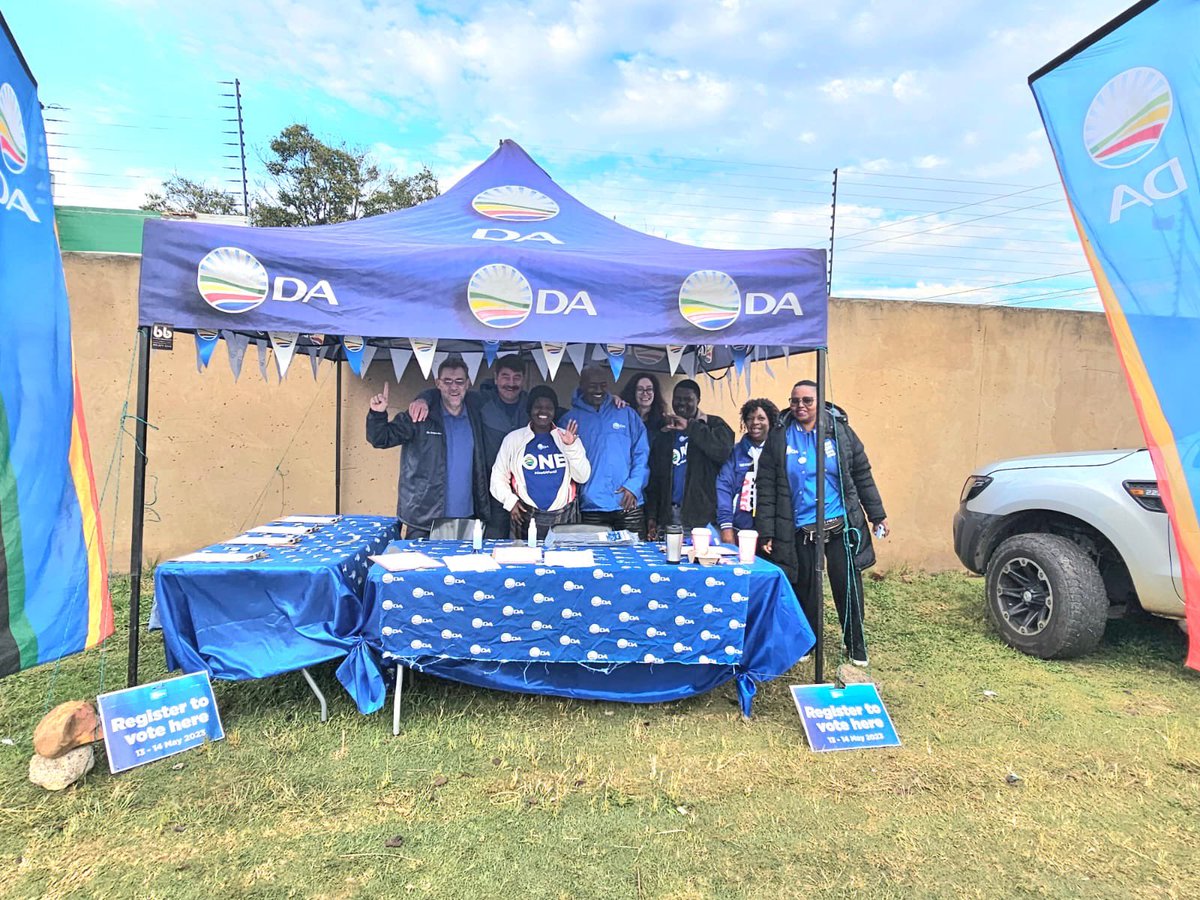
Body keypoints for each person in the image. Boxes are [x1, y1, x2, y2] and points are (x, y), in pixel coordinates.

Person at [777, 379, 889, 666]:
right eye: (795, 401)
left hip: (839, 524)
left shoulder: (839, 432)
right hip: (801, 527)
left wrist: (877, 514)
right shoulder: (782, 434)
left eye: (807, 400)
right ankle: (808, 642)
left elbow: (862, 474)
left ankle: (856, 645)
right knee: (806, 587)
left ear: (820, 401)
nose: (800, 406)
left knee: (847, 585)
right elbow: (770, 483)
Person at [407, 354, 531, 538]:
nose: (510, 383)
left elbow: (551, 409)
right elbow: (445, 392)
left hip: (526, 491)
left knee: (526, 547)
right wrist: (422, 399)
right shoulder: (479, 401)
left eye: (517, 377)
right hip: (492, 492)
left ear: (523, 380)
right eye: (505, 376)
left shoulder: (532, 405)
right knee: (492, 544)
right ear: (495, 379)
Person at [366, 357, 489, 539]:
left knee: (462, 566)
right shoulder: (420, 415)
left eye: (459, 381)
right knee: (420, 567)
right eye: (447, 381)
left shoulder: (477, 412)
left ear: (468, 384)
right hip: (424, 518)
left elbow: (499, 391)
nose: (453, 387)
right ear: (437, 383)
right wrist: (377, 414)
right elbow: (381, 438)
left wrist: (425, 396)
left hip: (468, 516)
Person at [490, 385, 591, 539]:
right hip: (526, 516)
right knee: (525, 562)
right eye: (538, 406)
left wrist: (570, 446)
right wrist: (510, 501)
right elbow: (497, 478)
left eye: (549, 407)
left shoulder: (567, 437)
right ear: (530, 409)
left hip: (564, 515)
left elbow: (582, 477)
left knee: (562, 562)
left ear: (554, 410)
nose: (543, 411)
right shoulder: (513, 439)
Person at [559, 365, 649, 533]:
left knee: (634, 555)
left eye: (603, 385)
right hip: (592, 505)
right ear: (582, 385)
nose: (599, 390)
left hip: (628, 501)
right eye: (593, 385)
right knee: (596, 557)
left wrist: (634, 486)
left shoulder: (626, 413)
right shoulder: (569, 420)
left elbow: (641, 453)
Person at [715, 399, 798, 581]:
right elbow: (724, 486)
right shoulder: (737, 452)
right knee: (740, 576)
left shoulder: (781, 451)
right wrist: (726, 526)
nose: (755, 423)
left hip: (771, 531)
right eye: (750, 418)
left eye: (761, 418)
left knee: (766, 577)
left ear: (771, 421)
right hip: (740, 528)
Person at [645, 379, 734, 537]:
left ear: (698, 401)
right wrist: (652, 515)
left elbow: (723, 451)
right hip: (668, 517)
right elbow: (654, 479)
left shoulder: (714, 424)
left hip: (701, 519)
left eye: (688, 399)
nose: (681, 403)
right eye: (678, 398)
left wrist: (690, 427)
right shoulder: (664, 433)